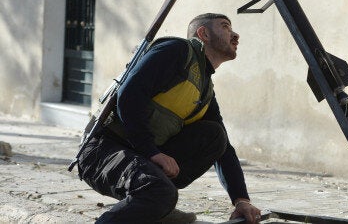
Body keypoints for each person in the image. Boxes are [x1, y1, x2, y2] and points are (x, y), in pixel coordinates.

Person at [76, 13, 262, 223]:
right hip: (101, 150)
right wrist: (152, 152)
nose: (235, 35)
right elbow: (129, 95)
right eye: (226, 27)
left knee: (215, 136)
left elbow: (224, 148)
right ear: (204, 34)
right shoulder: (175, 51)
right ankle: (158, 200)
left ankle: (156, 206)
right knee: (159, 192)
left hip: (137, 153)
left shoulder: (204, 88)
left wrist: (241, 199)